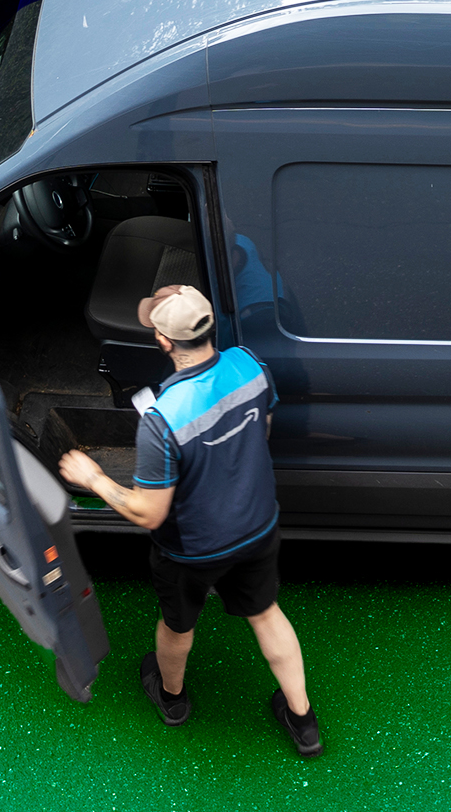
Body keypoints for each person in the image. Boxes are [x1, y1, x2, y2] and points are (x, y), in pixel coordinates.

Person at [58, 285, 322, 757]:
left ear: (163, 341)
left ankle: (173, 699)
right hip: (257, 527)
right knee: (266, 614)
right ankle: (303, 721)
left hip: (193, 549)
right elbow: (258, 431)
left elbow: (149, 511)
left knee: (177, 628)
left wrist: (94, 478)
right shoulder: (250, 365)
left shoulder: (163, 418)